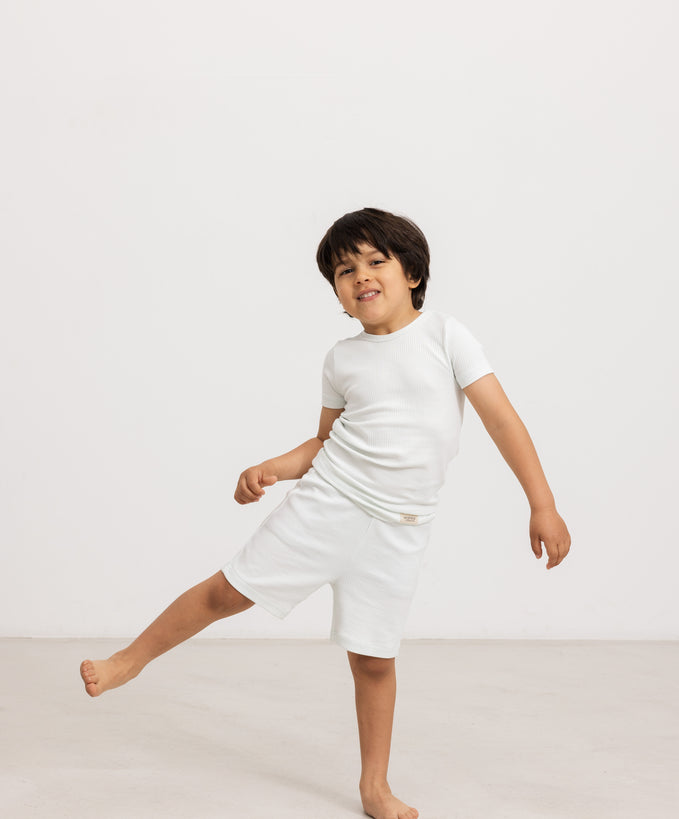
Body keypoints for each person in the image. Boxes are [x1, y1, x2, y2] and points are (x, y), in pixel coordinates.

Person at [80, 206, 571, 819]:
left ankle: (374, 787)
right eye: (344, 270)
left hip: (400, 532)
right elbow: (323, 441)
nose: (360, 275)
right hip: (328, 504)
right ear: (338, 294)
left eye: (375, 261)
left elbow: (502, 421)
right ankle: (127, 661)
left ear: (412, 273)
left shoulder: (447, 337)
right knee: (228, 592)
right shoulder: (343, 359)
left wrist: (542, 504)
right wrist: (272, 467)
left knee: (373, 660)